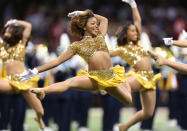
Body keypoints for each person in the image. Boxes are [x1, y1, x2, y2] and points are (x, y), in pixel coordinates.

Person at [20, 9, 134, 128]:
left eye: (96, 24)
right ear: (84, 27)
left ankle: (124, 80)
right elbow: (57, 61)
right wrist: (35, 71)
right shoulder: (77, 46)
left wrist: (84, 13)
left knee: (128, 100)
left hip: (111, 77)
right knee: (69, 82)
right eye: (92, 23)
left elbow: (104, 20)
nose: (96, 26)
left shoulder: (100, 37)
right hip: (94, 77)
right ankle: (43, 90)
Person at [109, 0, 161, 130]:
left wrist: (133, 5)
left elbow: (137, 20)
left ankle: (124, 126)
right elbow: (105, 54)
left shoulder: (138, 43)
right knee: (124, 84)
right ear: (126, 35)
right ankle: (109, 86)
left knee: (148, 112)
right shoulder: (122, 49)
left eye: (135, 31)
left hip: (150, 77)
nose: (136, 32)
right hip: (139, 76)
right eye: (132, 31)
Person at [0, 19, 45, 129]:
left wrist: (14, 21)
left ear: (14, 33)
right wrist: (7, 25)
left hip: (23, 81)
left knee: (40, 111)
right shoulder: (2, 46)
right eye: (6, 31)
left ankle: (41, 123)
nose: (6, 33)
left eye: (9, 31)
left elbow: (28, 25)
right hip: (9, 81)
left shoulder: (21, 44)